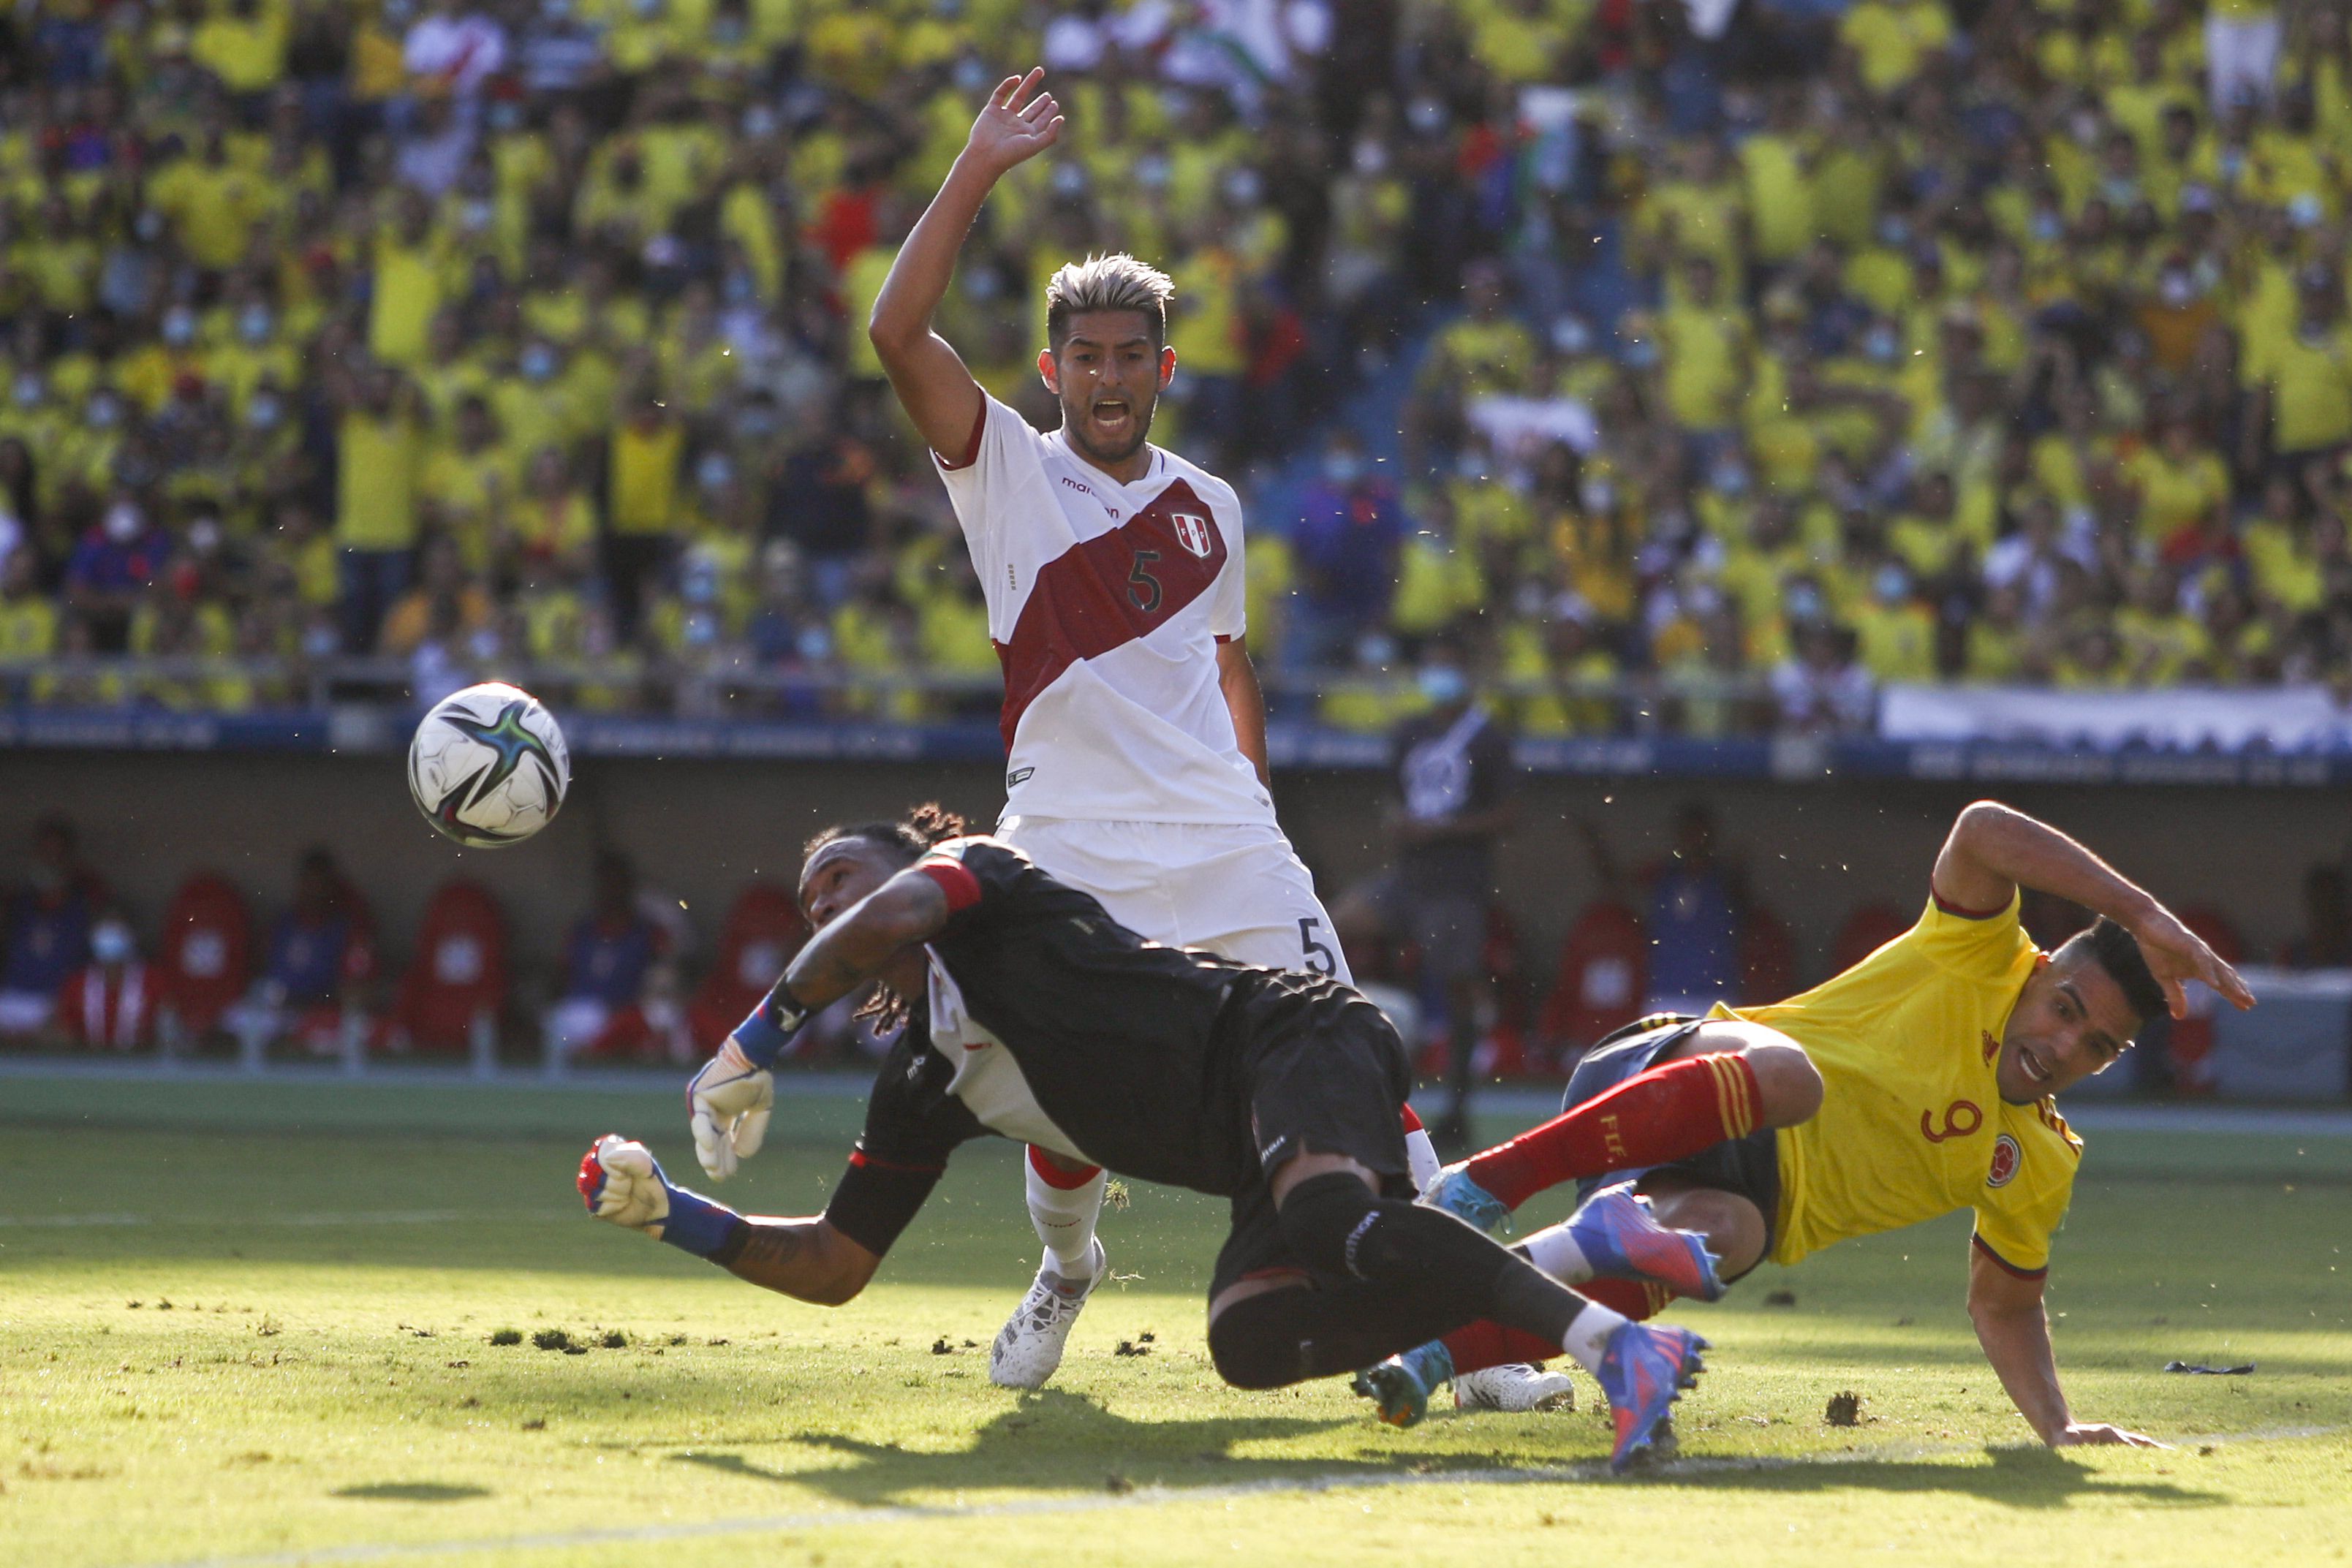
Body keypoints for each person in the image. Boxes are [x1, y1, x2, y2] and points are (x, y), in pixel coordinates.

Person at [817, 66, 1503, 1404]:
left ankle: (1464, 1345)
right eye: (1087, 356)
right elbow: (897, 333)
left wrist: (1248, 806)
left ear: (1165, 368)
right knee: (1045, 1081)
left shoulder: (1211, 506)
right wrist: (975, 167)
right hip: (1065, 840)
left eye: (1133, 356)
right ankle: (1066, 1272)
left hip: (1222, 843)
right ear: (1051, 367)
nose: (1110, 376)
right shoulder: (1005, 469)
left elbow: (1224, 661)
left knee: (1352, 1061)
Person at [586, 808, 1709, 1472]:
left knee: (1329, 1219)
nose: (822, 904)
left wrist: (754, 1035)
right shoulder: (923, 1080)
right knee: (1249, 1339)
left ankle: (1617, 1346)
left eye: (839, 880)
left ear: (906, 861)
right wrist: (673, 1214)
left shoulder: (982, 875)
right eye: (807, 897)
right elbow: (837, 1263)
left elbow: (893, 919)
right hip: (1256, 1147)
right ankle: (1583, 1242)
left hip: (1294, 1031)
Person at [1358, 800, 2257, 1447]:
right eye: (2064, 1009)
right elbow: (1982, 828)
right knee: (1794, 1078)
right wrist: (2140, 912)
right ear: (2034, 972)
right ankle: (1487, 1183)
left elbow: (2006, 1305)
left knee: (1728, 1239)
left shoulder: (2038, 1162)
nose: (2064, 1045)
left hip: (1715, 1188)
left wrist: (2059, 1427)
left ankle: (1433, 1355)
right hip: (1673, 1075)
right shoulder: (1977, 953)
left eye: (2096, 1046)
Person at [1334, 634, 1518, 1151]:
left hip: (1455, 883)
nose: (1436, 679)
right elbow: (1393, 799)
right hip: (1406, 876)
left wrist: (1440, 830)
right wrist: (1399, 822)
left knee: (1455, 980)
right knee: (1331, 926)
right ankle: (1350, 1049)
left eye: (1446, 667)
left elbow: (1507, 814)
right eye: (1430, 666)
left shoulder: (1487, 737)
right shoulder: (1409, 730)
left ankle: (1458, 1106)